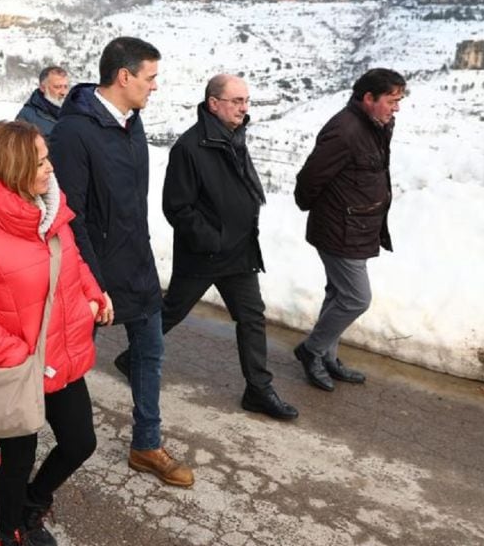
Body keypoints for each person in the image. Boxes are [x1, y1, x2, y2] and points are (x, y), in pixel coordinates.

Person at [0, 121, 111, 546]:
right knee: (18, 458)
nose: (50, 168)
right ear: (14, 167)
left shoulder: (50, 209)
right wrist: (21, 356)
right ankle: (10, 534)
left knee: (80, 442)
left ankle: (34, 505)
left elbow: (71, 262)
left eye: (47, 157)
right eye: (40, 161)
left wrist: (96, 294)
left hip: (63, 354)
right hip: (17, 367)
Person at [51, 36, 194, 487]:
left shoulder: (132, 123)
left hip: (137, 263)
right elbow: (72, 216)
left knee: (150, 353)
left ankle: (146, 445)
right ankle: (27, 426)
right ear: (124, 76)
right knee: (67, 356)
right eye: (150, 78)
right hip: (92, 273)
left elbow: (130, 203)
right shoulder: (73, 133)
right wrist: (94, 283)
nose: (155, 87)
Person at [116, 74, 298, 420]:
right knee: (172, 310)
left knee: (251, 317)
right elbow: (177, 207)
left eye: (246, 101)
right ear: (214, 103)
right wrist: (211, 239)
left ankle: (258, 389)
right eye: (236, 101)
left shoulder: (233, 136)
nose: (244, 108)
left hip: (240, 252)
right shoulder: (190, 147)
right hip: (205, 254)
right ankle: (132, 358)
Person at [292, 68, 406, 391]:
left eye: (399, 101)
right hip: (339, 230)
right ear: (368, 98)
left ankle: (327, 355)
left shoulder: (376, 125)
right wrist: (316, 209)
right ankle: (311, 351)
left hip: (358, 225)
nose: (396, 108)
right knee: (356, 298)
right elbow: (310, 180)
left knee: (337, 293)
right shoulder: (345, 131)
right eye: (391, 101)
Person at [16, 66, 69, 137]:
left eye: (65, 87)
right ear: (43, 88)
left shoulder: (73, 112)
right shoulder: (26, 117)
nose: (63, 92)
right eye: (57, 87)